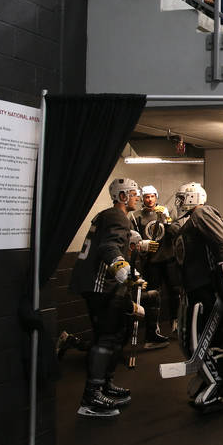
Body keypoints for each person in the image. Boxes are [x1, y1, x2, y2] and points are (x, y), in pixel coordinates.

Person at [70, 178, 149, 417]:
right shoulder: (117, 216)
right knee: (105, 338)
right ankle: (91, 396)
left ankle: (104, 384)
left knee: (114, 335)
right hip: (101, 286)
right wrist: (123, 268)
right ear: (122, 196)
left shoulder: (109, 216)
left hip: (103, 285)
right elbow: (108, 248)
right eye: (133, 194)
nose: (137, 197)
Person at [165, 182, 223, 414]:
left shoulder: (201, 213)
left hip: (205, 293)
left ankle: (219, 386)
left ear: (192, 197)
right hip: (195, 292)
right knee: (199, 342)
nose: (179, 202)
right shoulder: (191, 221)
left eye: (182, 197)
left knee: (200, 343)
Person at [129, 185, 175, 348]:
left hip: (168, 259)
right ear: (143, 198)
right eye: (146, 197)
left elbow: (175, 234)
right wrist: (142, 246)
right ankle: (152, 331)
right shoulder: (135, 217)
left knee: (174, 292)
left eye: (152, 196)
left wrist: (167, 220)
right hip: (150, 262)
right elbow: (132, 241)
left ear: (156, 197)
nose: (149, 199)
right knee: (152, 295)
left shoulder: (163, 212)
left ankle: (174, 324)